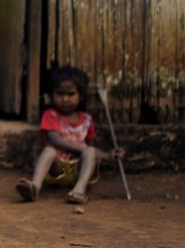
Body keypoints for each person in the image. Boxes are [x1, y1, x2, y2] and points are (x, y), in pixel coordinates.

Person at [15, 66, 124, 204]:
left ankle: (78, 190)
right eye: (60, 94)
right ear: (51, 94)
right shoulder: (50, 115)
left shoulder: (86, 120)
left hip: (78, 168)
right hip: (57, 169)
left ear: (81, 96)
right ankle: (35, 186)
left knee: (90, 152)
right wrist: (84, 150)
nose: (65, 99)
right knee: (49, 151)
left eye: (70, 94)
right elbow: (55, 140)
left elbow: (90, 149)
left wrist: (109, 156)